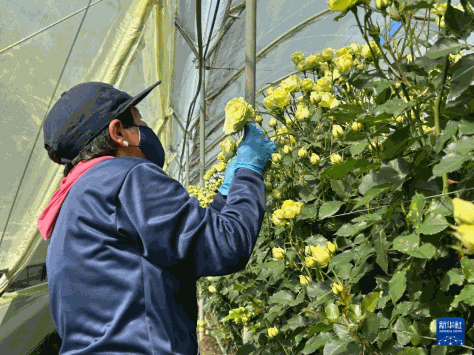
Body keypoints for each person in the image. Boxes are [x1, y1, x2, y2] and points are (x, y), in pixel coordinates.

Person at [37, 80, 276, 355]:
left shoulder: (73, 202)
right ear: (118, 133)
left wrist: (225, 194)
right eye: (139, 120)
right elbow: (227, 245)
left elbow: (185, 252)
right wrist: (248, 171)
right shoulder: (127, 177)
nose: (146, 129)